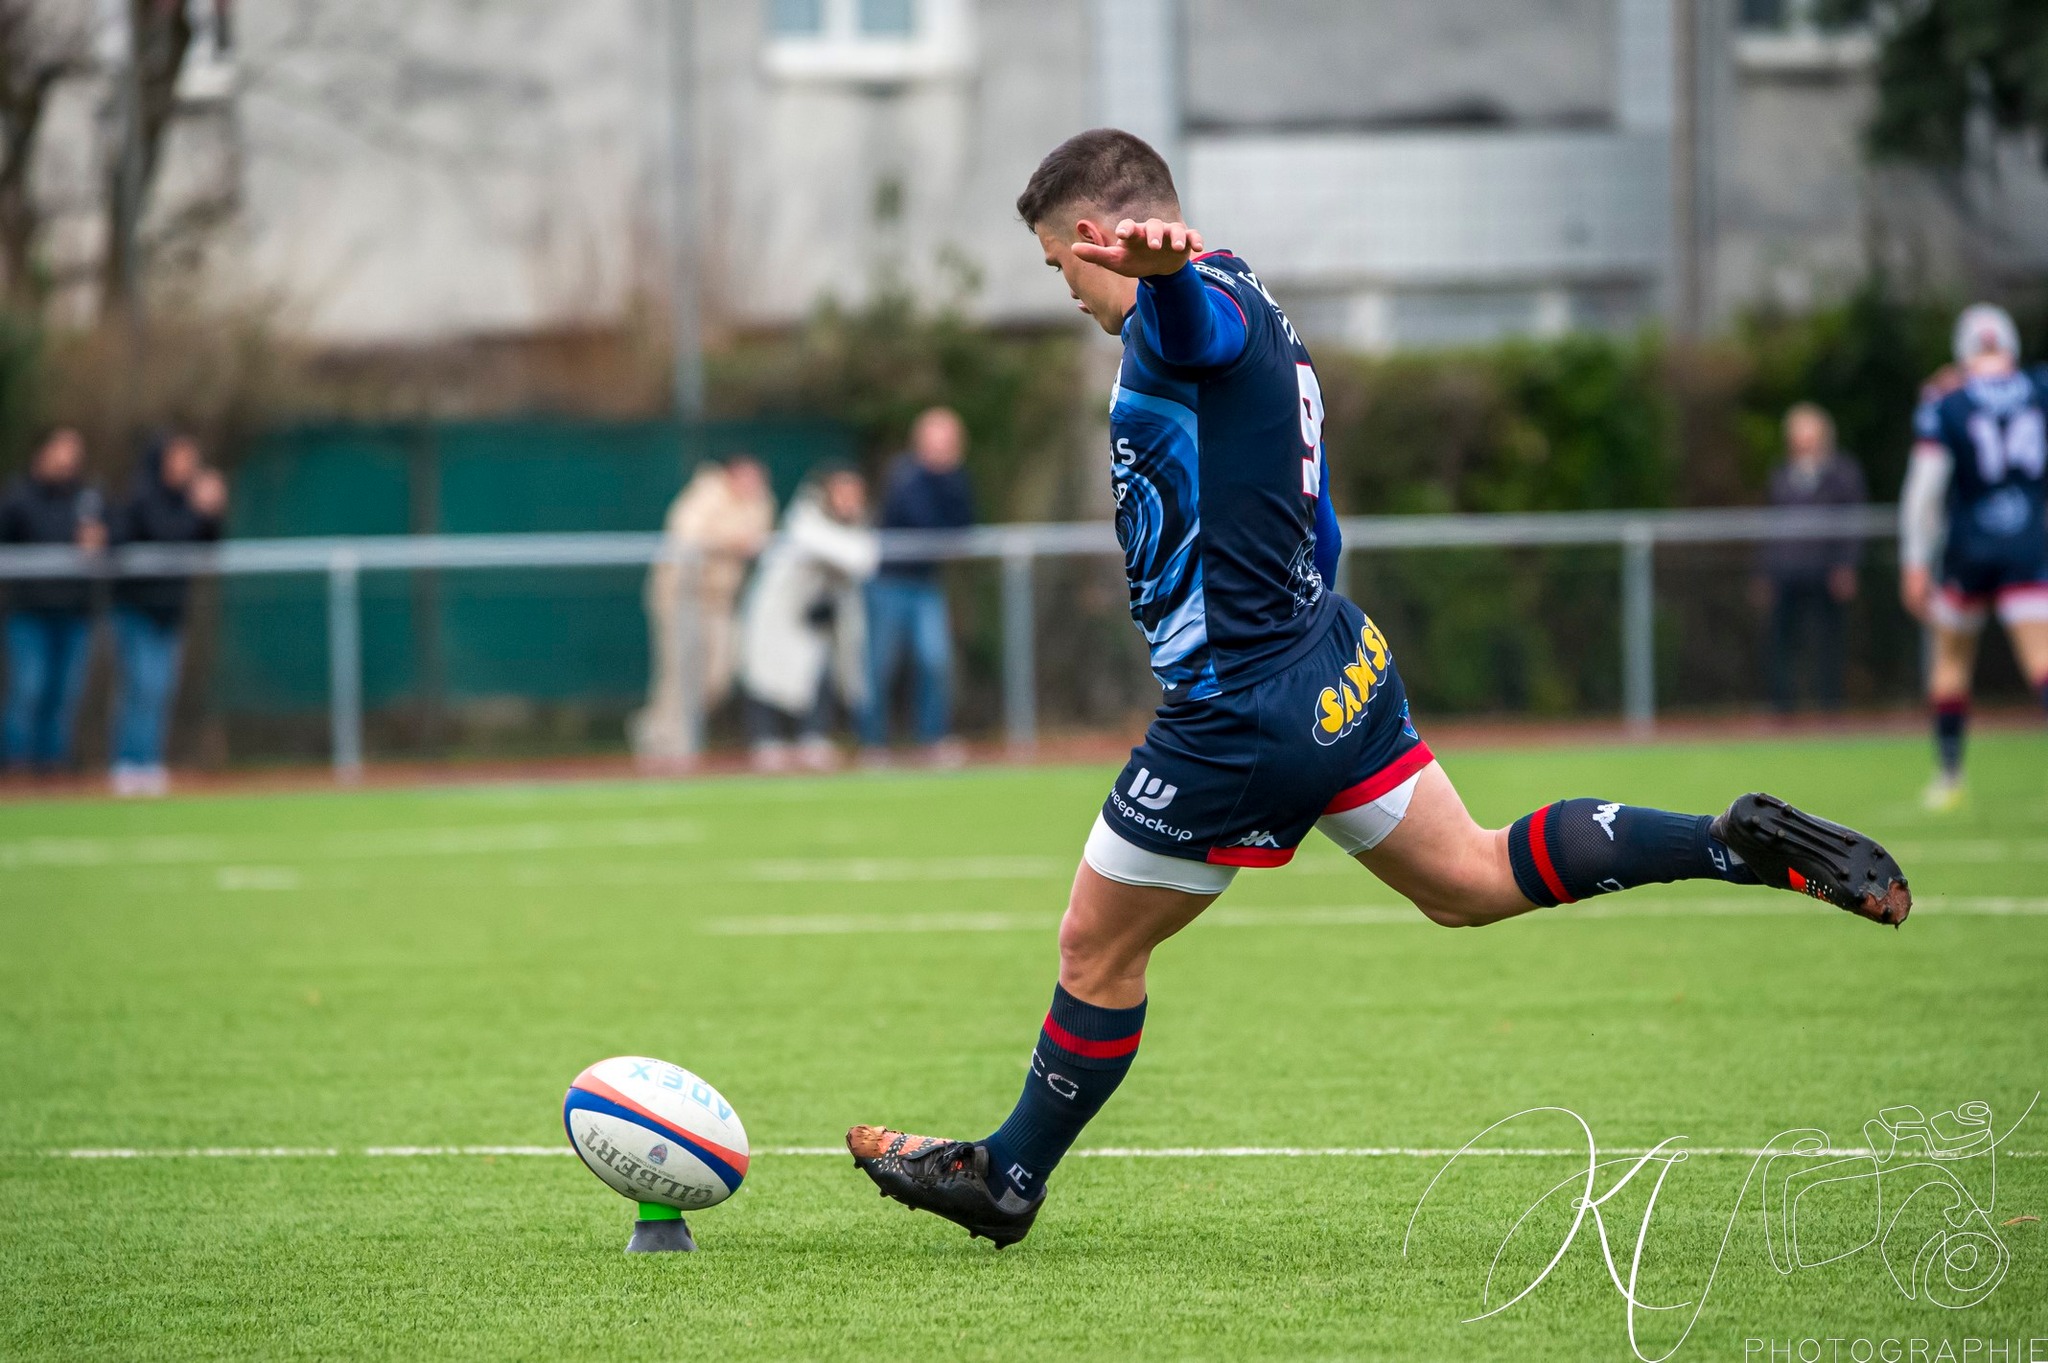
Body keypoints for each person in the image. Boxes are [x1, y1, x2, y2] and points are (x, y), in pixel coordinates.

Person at [843, 128, 1911, 1248]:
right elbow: (1312, 500)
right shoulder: (1244, 285)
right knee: (1467, 877)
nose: (1060, 288)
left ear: (1101, 238)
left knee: (1093, 947)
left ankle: (1005, 1177)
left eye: (1058, 261)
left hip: (1236, 711)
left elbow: (1183, 325)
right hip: (1330, 662)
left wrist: (1155, 279)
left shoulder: (1181, 316)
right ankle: (1726, 843)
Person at [1899, 303, 2048, 812]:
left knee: (1951, 660)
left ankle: (1949, 775)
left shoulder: (1946, 402)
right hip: (2028, 540)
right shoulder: (2039, 388)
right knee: (2043, 661)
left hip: (1968, 548)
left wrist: (1915, 559)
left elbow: (1924, 491)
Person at [631, 454, 776, 765]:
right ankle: (672, 745)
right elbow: (687, 535)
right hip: (681, 597)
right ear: (732, 475)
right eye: (749, 478)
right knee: (679, 674)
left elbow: (759, 541)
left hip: (719, 600)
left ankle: (657, 727)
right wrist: (732, 542)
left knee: (718, 676)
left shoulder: (760, 502)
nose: (755, 485)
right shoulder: (706, 494)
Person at [736, 467, 878, 772]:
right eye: (842, 494)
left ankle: (812, 738)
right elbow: (856, 557)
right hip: (776, 614)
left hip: (811, 618)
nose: (849, 501)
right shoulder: (805, 521)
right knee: (765, 677)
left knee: (818, 674)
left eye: (855, 494)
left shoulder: (854, 526)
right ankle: (766, 740)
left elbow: (865, 558)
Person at [108, 433, 226, 797]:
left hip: (171, 613)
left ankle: (150, 762)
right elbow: (165, 534)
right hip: (137, 610)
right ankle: (128, 763)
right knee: (141, 687)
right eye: (180, 457)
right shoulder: (144, 497)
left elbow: (208, 543)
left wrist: (212, 511)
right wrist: (196, 509)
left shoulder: (186, 502)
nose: (187, 465)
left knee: (160, 690)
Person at [860, 407, 975, 764]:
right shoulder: (905, 475)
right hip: (888, 585)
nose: (943, 450)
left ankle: (932, 739)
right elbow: (923, 522)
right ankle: (873, 743)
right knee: (880, 664)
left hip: (925, 586)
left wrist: (948, 478)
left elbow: (964, 523)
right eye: (936, 442)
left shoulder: (955, 478)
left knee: (934, 660)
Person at [1, 428, 104, 774]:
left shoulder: (88, 497)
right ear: (42, 453)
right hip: (30, 613)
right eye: (61, 450)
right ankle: (14, 768)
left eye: (74, 452)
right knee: (28, 690)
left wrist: (103, 537)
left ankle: (52, 771)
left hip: (74, 613)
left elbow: (118, 528)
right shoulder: (19, 497)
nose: (68, 459)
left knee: (63, 696)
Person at [1754, 403, 1867, 713]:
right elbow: (1769, 525)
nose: (1802, 440)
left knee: (1828, 641)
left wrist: (1846, 564)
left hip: (1825, 570)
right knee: (1781, 642)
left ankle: (1830, 706)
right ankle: (1782, 707)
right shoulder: (1781, 474)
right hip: (1787, 570)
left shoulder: (1842, 473)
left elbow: (1852, 522)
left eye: (1808, 432)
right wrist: (1764, 571)